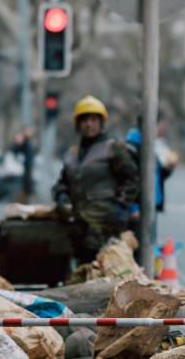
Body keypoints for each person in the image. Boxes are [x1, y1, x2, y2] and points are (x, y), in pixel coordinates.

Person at [52, 95, 140, 262]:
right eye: (84, 120)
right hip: (80, 228)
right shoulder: (72, 153)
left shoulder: (113, 148)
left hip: (107, 228)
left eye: (93, 119)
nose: (89, 124)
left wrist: (119, 207)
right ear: (78, 124)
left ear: (101, 122)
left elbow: (131, 179)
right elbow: (63, 182)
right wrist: (61, 195)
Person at [125, 114, 179, 233]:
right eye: (161, 125)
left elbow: (155, 175)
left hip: (150, 205)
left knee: (149, 243)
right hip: (138, 210)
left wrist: (169, 169)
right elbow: (127, 179)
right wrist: (133, 207)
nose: (163, 129)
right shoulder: (133, 147)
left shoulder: (150, 145)